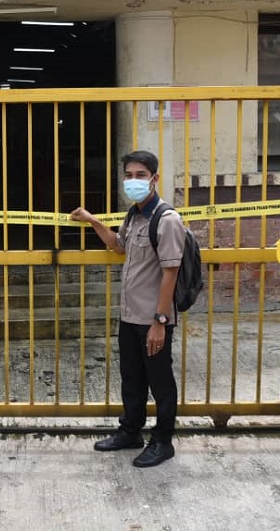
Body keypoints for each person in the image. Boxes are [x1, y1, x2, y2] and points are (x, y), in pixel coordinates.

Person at [71, 150, 186, 468]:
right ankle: (131, 431)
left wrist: (160, 321)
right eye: (129, 175)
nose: (133, 181)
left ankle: (162, 441)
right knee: (132, 378)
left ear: (154, 179)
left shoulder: (167, 220)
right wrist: (93, 220)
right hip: (130, 316)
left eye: (140, 175)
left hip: (153, 318)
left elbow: (171, 272)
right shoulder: (134, 216)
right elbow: (118, 245)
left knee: (160, 382)